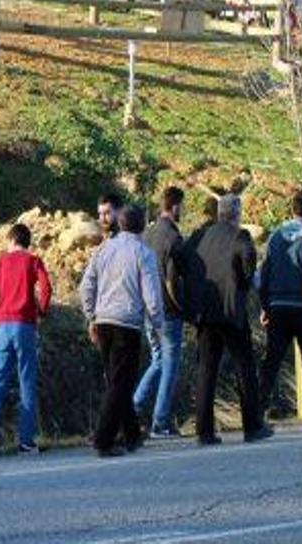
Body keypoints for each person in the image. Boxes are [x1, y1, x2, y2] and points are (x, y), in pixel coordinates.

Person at [182, 194, 273, 446]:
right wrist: (244, 282)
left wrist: (193, 286)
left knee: (206, 371)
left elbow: (179, 258)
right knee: (244, 367)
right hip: (231, 311)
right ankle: (252, 426)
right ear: (237, 213)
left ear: (219, 213)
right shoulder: (240, 235)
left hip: (205, 312)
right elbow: (247, 259)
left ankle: (204, 431)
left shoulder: (200, 235)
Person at [79, 205, 165, 457]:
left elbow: (86, 285)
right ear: (142, 225)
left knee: (116, 379)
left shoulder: (104, 249)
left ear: (121, 224)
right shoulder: (143, 252)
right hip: (126, 323)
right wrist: (158, 323)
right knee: (121, 382)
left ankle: (131, 434)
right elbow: (151, 293)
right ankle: (103, 439)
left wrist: (91, 316)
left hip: (103, 321)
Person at [257, 190, 302, 431]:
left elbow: (264, 272)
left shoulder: (276, 236)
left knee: (271, 363)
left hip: (277, 307)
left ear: (292, 209)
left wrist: (264, 305)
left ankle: (257, 412)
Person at [0, 223, 53, 454]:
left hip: (4, 327)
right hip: (25, 326)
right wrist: (40, 311)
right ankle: (25, 441)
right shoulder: (33, 261)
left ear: (11, 240)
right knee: (26, 381)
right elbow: (46, 288)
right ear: (26, 242)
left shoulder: (2, 261)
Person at [132, 186, 187, 438]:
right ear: (174, 206)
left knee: (157, 361)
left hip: (147, 309)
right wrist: (182, 306)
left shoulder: (147, 234)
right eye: (182, 207)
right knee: (170, 365)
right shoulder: (173, 239)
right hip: (168, 311)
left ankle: (131, 410)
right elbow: (174, 279)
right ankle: (160, 422)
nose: (183, 211)